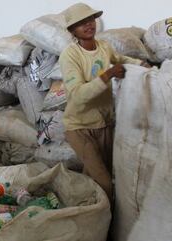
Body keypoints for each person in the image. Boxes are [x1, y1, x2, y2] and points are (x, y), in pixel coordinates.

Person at [60, 3, 149, 202]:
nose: (88, 25)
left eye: (90, 20)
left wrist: (141, 65)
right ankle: (104, 227)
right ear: (72, 30)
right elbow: (78, 95)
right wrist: (108, 74)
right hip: (80, 127)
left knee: (93, 175)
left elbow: (121, 59)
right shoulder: (70, 55)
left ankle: (83, 209)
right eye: (81, 23)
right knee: (105, 183)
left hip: (104, 125)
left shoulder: (103, 47)